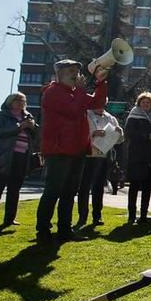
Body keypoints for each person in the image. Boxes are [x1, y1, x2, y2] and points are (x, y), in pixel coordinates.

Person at [36, 59, 108, 243]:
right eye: (70, 70)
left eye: (76, 70)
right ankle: (43, 230)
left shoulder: (76, 93)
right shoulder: (52, 92)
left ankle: (64, 229)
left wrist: (100, 82)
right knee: (53, 190)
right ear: (59, 73)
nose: (75, 74)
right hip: (59, 149)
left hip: (77, 149)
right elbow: (73, 111)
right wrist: (82, 90)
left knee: (69, 192)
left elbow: (98, 102)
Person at [0, 92, 39, 230]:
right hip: (4, 156)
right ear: (10, 102)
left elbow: (36, 136)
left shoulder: (28, 116)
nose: (21, 103)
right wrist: (19, 127)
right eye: (17, 100)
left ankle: (10, 219)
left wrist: (33, 127)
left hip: (22, 156)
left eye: (23, 100)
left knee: (15, 189)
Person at [76, 104, 123, 227]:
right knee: (84, 188)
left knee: (98, 188)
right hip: (87, 155)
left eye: (103, 103)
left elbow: (119, 140)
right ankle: (82, 217)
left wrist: (120, 133)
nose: (100, 106)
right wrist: (93, 133)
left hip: (103, 156)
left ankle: (97, 216)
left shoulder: (111, 118)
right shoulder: (85, 114)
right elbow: (77, 132)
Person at [125, 92, 151, 224]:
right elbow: (129, 133)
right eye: (143, 102)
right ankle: (131, 215)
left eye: (148, 103)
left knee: (148, 188)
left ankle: (143, 215)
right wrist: (147, 136)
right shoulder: (133, 116)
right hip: (136, 156)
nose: (145, 105)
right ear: (139, 103)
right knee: (134, 187)